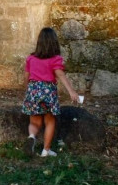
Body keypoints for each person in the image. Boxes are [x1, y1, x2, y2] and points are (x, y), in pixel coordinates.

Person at [21, 27, 79, 157]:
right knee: (50, 121)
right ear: (54, 42)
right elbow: (60, 74)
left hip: (33, 90)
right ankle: (46, 151)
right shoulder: (55, 59)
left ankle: (31, 136)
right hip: (48, 92)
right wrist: (71, 91)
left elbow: (26, 76)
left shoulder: (31, 58)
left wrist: (27, 91)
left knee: (34, 122)